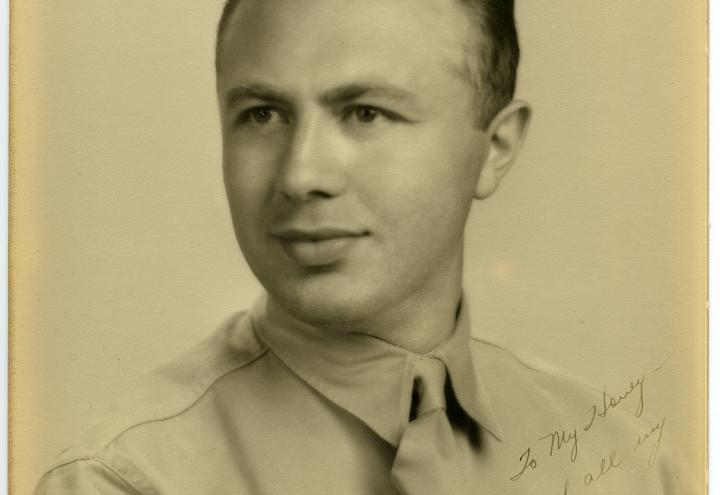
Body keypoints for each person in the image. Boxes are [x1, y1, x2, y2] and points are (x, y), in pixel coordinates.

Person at [35, 0, 694, 493]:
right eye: (262, 114)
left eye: (365, 112)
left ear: (495, 148)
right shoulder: (123, 480)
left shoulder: (633, 464)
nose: (301, 176)